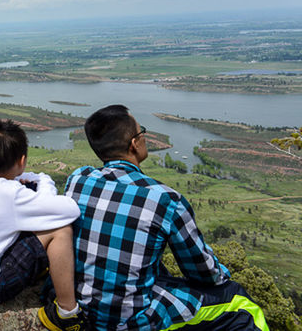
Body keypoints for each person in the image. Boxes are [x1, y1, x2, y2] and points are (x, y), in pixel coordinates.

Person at [66, 104, 269, 331]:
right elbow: (203, 273)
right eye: (141, 132)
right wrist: (223, 275)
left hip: (80, 305)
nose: (144, 137)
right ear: (134, 143)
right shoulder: (165, 199)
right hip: (127, 322)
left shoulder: (78, 179)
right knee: (240, 302)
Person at [0, 120, 88, 331]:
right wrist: (45, 182)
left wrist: (33, 182)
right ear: (22, 160)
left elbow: (19, 183)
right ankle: (67, 313)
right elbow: (70, 210)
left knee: (36, 215)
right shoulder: (11, 196)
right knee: (60, 230)